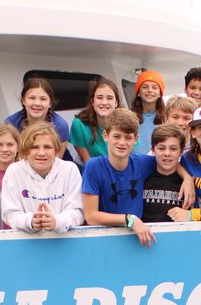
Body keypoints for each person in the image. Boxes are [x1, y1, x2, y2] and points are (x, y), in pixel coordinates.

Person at [82, 108, 161, 246]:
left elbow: (168, 162)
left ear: (136, 139)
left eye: (128, 137)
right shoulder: (93, 166)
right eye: (117, 136)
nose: (122, 143)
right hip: (104, 241)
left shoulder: (143, 163)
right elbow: (91, 216)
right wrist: (130, 220)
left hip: (136, 241)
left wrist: (187, 178)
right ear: (106, 136)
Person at [1, 121, 84, 233]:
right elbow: (9, 213)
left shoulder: (70, 169)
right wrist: (31, 221)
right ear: (25, 150)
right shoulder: (14, 171)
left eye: (47, 147)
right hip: (27, 243)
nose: (41, 153)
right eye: (35, 147)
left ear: (56, 150)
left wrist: (57, 222)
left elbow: (77, 211)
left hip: (63, 241)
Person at [142, 124, 187, 223]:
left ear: (181, 151)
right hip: (143, 236)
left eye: (173, 149)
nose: (167, 153)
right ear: (153, 150)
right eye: (161, 148)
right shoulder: (142, 178)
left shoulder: (186, 185)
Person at [4, 77, 70, 144]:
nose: (37, 103)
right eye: (32, 98)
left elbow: (58, 154)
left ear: (50, 103)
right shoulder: (11, 123)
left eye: (43, 99)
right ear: (23, 100)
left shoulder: (60, 125)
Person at [70, 77, 121, 163]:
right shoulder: (79, 124)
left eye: (109, 98)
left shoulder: (126, 124)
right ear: (92, 101)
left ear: (116, 103)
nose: (104, 102)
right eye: (100, 97)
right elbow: (88, 163)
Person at [129, 69, 166, 154]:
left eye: (154, 87)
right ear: (138, 93)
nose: (150, 90)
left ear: (160, 93)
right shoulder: (129, 118)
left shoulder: (167, 118)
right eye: (145, 87)